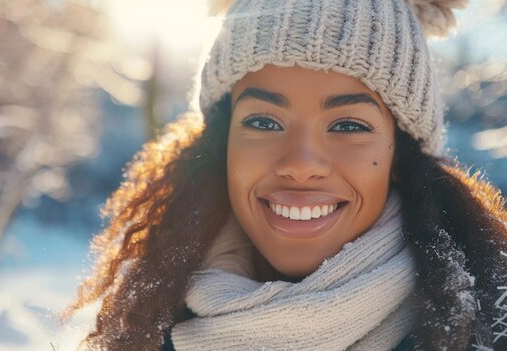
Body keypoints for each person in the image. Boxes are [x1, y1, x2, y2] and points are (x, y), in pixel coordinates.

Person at [65, 0, 507, 350]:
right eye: (263, 122)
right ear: (221, 144)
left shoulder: (486, 327)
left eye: (349, 126)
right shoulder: (143, 325)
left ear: (401, 155)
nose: (300, 163)